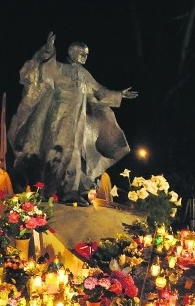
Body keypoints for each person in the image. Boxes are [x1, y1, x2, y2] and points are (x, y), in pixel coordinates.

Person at [8, 32, 138, 206]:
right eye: (82, 53)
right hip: (57, 122)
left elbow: (98, 93)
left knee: (75, 155)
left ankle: (71, 191)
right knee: (55, 154)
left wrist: (119, 94)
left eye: (87, 54)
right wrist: (46, 51)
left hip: (78, 123)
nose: (85, 57)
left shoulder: (84, 74)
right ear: (72, 53)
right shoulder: (60, 69)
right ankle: (48, 190)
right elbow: (37, 69)